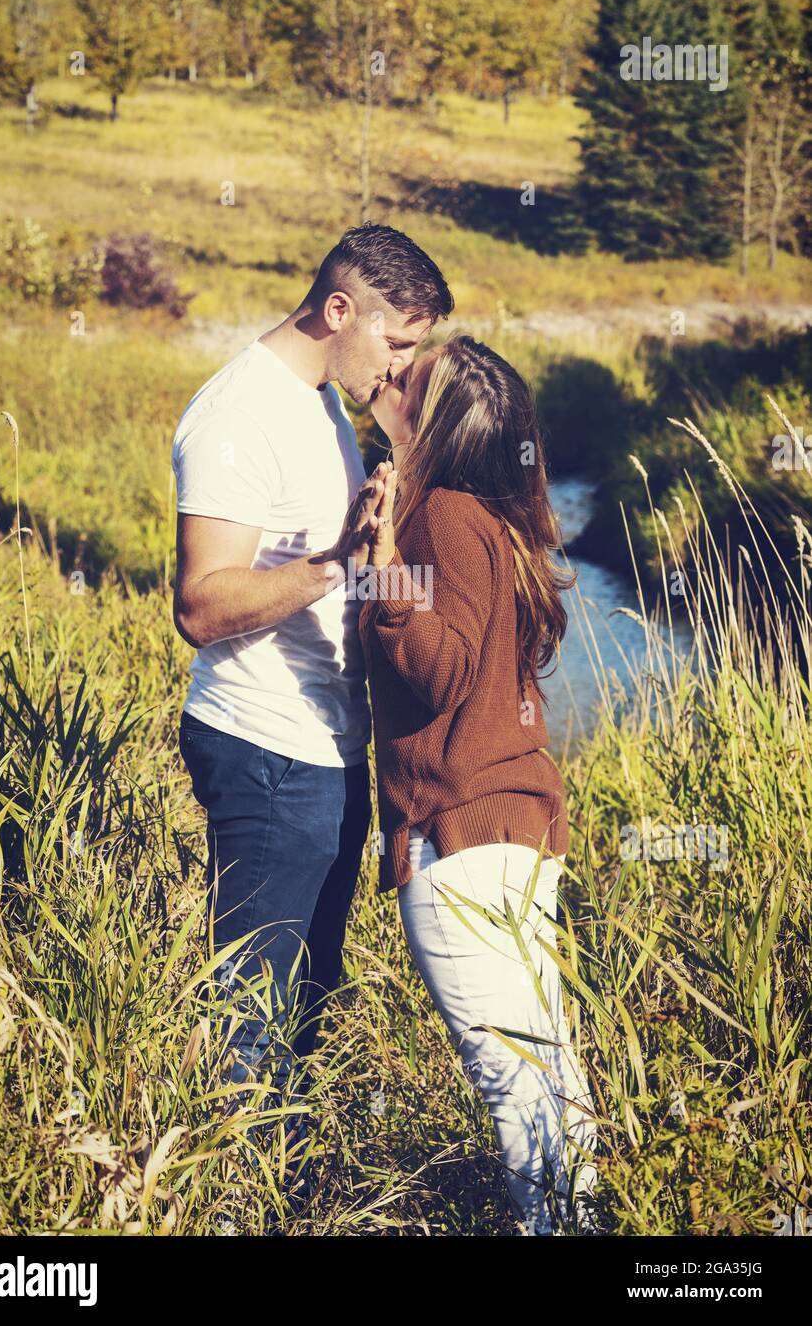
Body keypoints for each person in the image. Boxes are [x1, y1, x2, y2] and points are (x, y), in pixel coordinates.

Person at [171, 223, 453, 1091]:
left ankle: (289, 1187)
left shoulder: (324, 398)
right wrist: (335, 560)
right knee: (250, 1021)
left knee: (307, 1008)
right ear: (340, 310)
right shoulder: (235, 417)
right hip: (264, 752)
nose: (401, 367)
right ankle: (224, 1201)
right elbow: (201, 604)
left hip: (328, 749)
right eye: (396, 343)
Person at [358, 334, 600, 1234]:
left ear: (434, 419)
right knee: (550, 1087)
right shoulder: (488, 515)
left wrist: (384, 560)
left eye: (410, 377)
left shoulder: (446, 516)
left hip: (459, 844)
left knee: (522, 1100)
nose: (391, 376)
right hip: (514, 838)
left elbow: (442, 669)